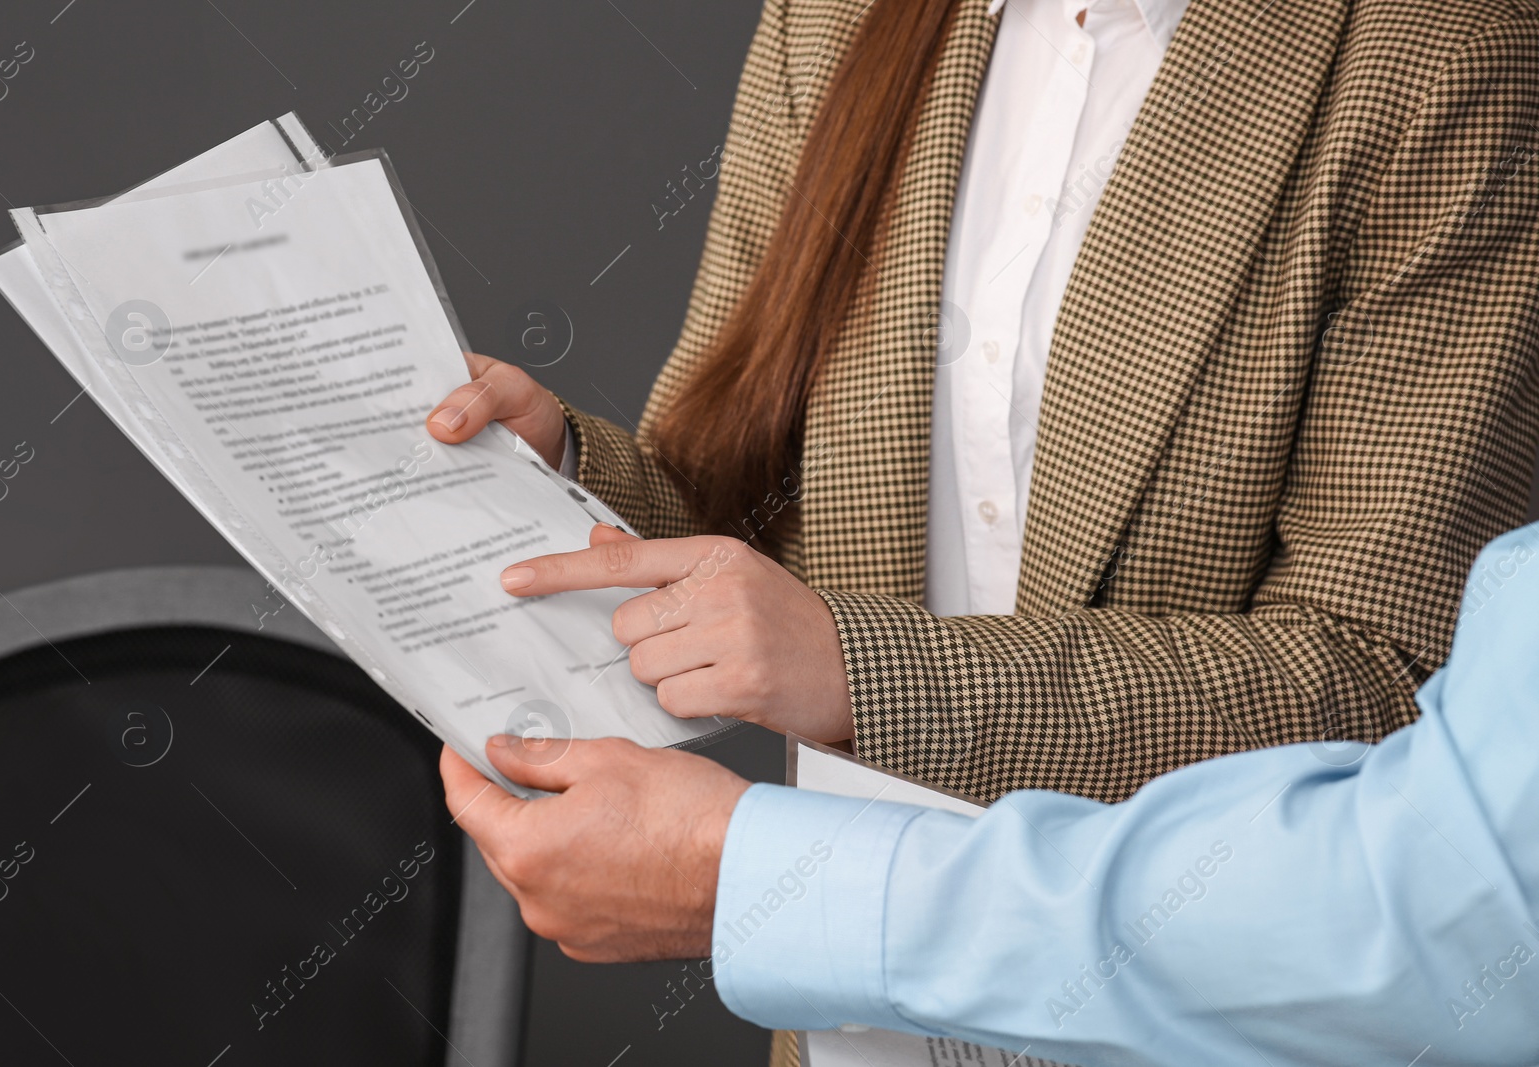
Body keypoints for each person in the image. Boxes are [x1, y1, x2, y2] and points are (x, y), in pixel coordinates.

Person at [432, 0, 1539, 1060]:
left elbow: (1387, 693)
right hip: (848, 1027)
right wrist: (564, 475)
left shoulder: (1446, 52)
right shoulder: (829, 17)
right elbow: (737, 507)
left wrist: (865, 671)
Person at [441, 522, 1539, 1067]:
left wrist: (757, 873)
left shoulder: (1442, 78)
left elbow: (1423, 907)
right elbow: (740, 480)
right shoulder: (826, 63)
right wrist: (558, 483)